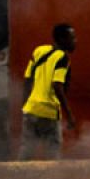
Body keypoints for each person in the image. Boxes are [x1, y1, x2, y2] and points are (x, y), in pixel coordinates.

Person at [17, 23, 77, 160]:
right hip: (49, 112)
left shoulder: (39, 51)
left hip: (31, 109)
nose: (75, 41)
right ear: (62, 39)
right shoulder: (63, 58)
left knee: (27, 149)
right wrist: (69, 115)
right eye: (72, 38)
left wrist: (24, 106)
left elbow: (27, 79)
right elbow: (57, 86)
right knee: (53, 152)